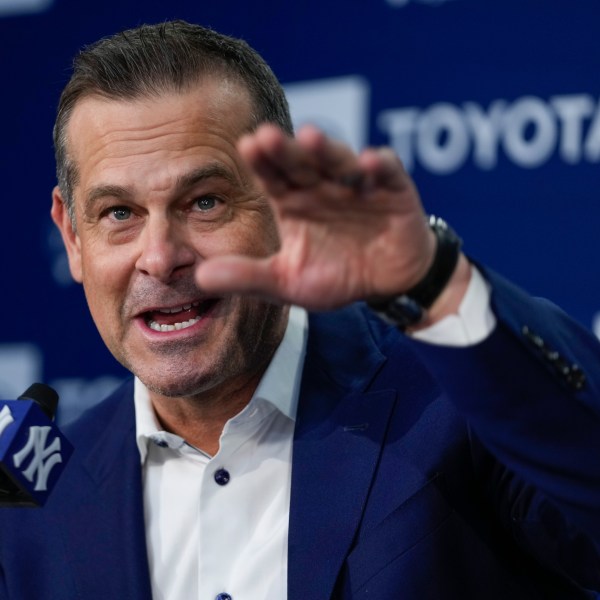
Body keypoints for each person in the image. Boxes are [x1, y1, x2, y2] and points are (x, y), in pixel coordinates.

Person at [1, 19, 599, 599]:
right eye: (119, 214)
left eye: (204, 202)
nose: (159, 257)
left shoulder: (455, 406)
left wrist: (438, 283)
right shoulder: (36, 505)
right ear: (73, 236)